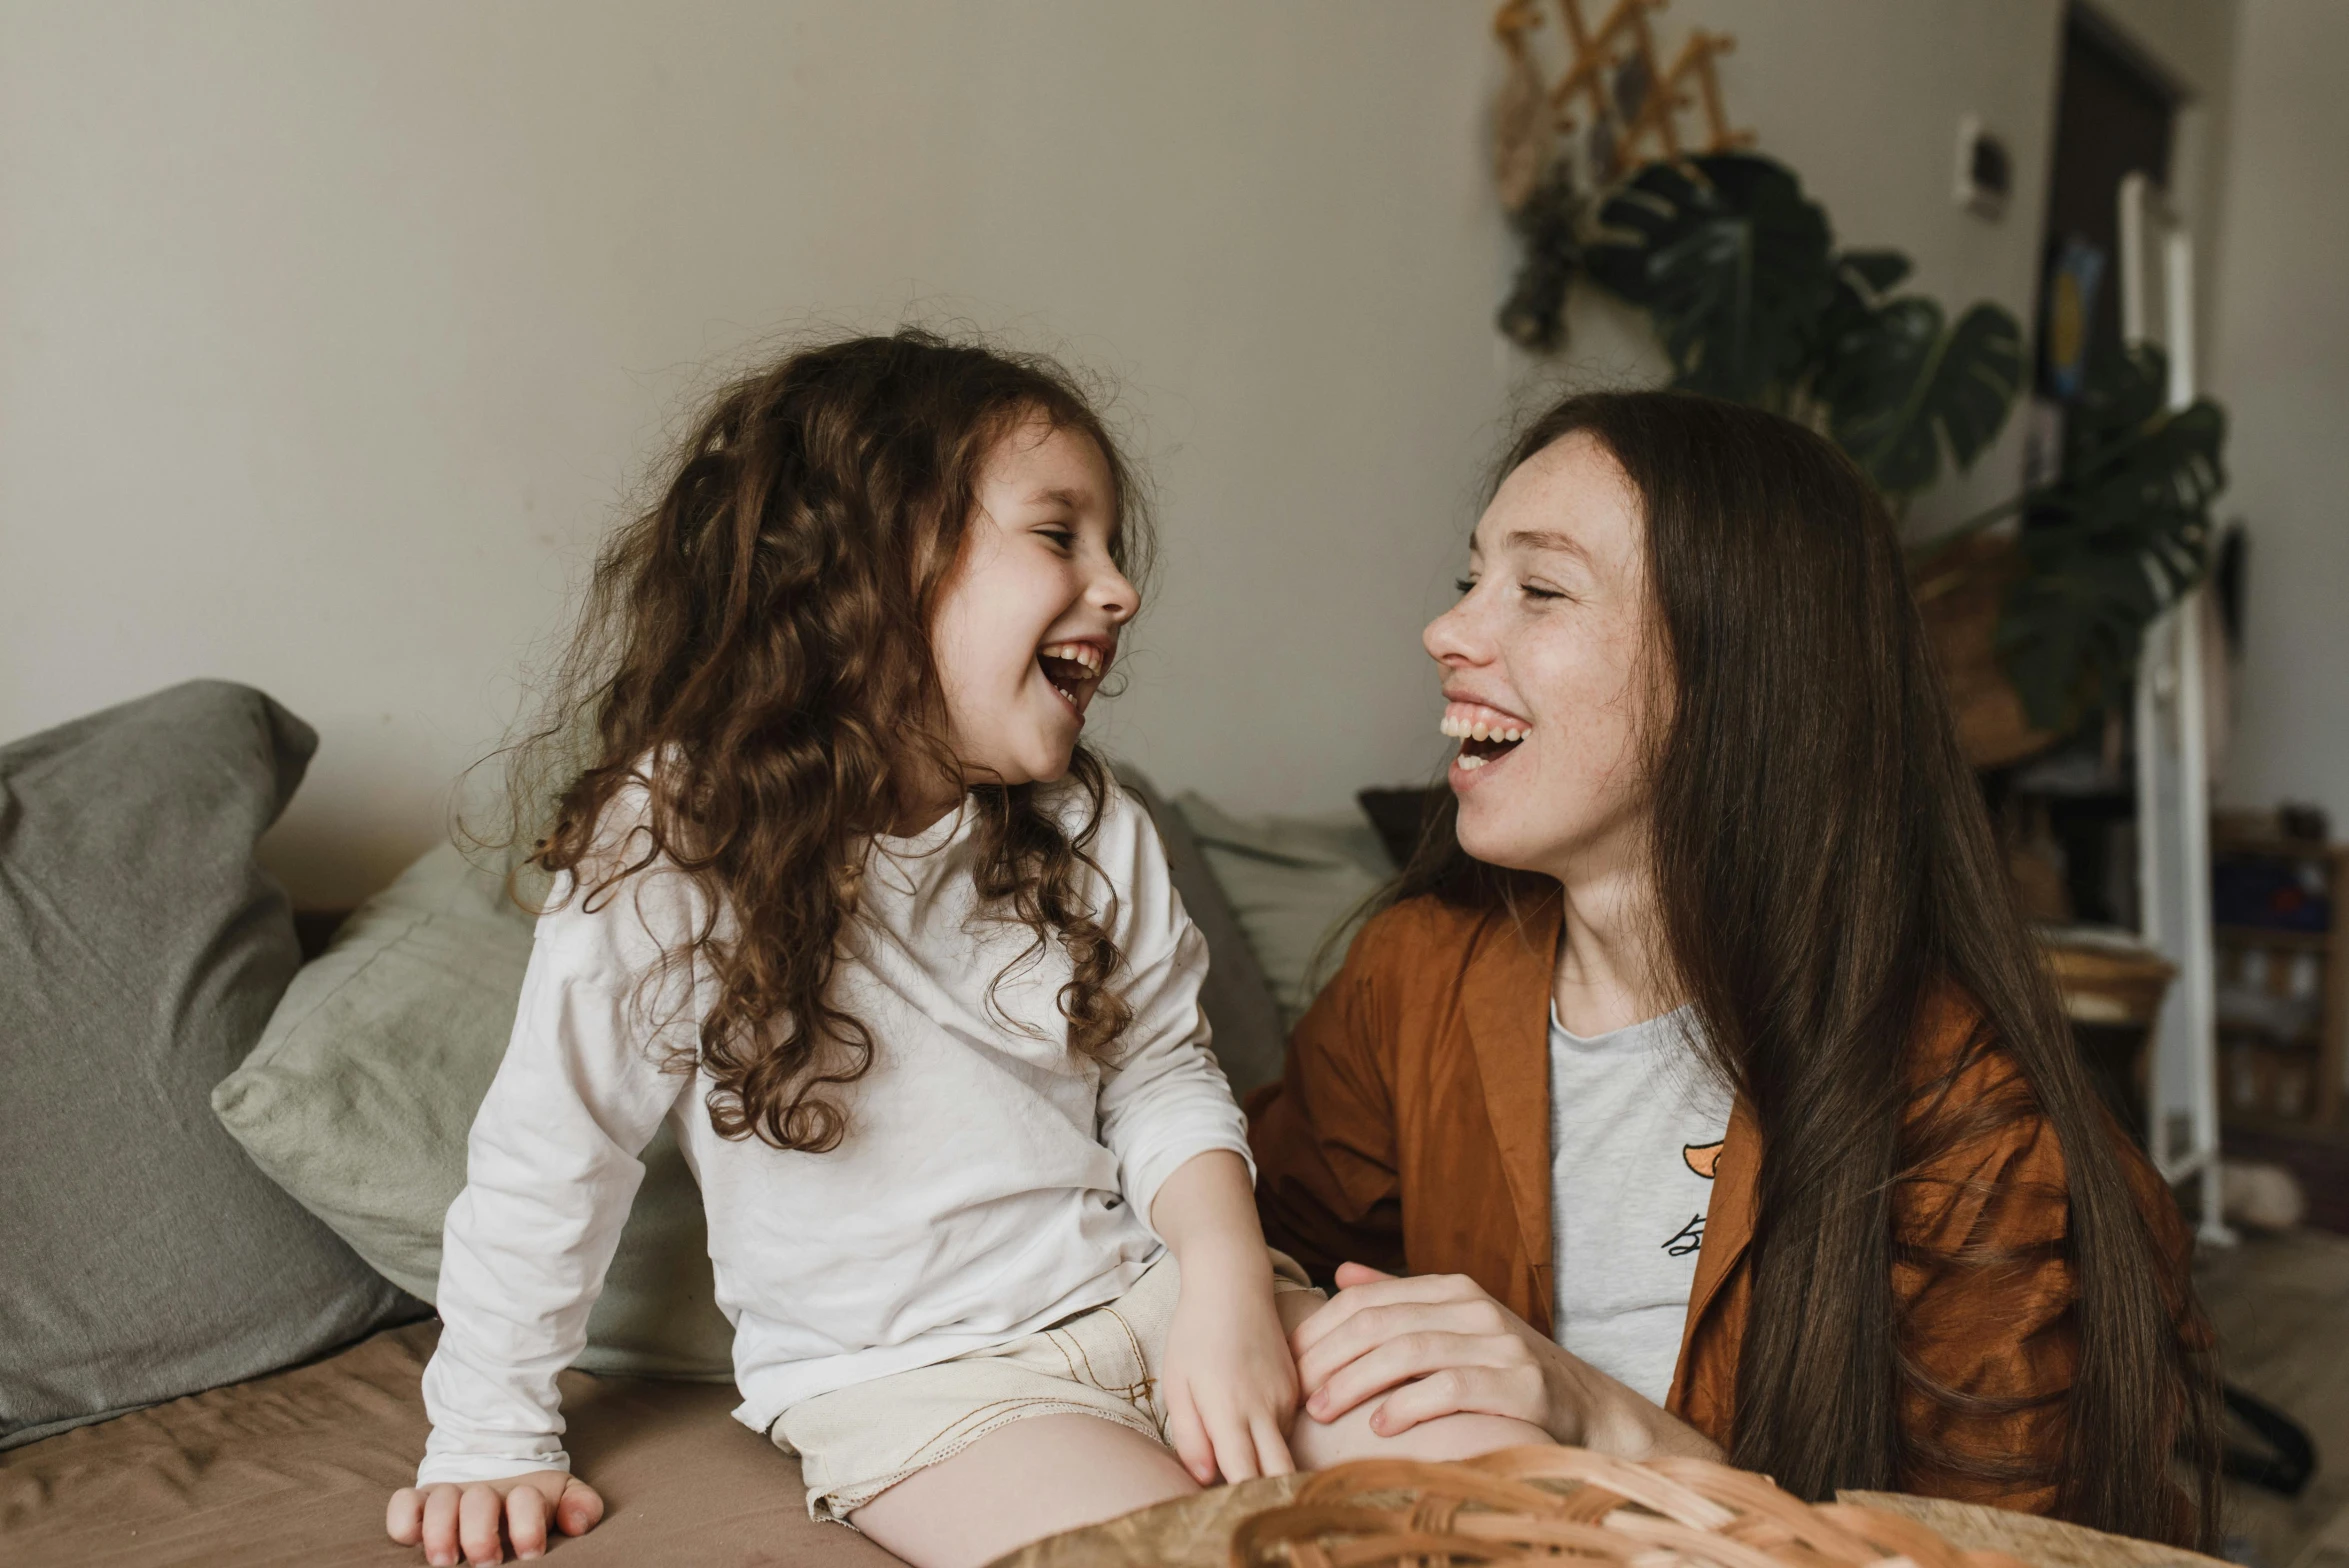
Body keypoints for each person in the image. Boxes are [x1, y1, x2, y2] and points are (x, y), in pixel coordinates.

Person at [386, 332, 1527, 1568]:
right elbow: (557, 1149)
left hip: (1150, 1294)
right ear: (876, 566)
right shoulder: (672, 845)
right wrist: (488, 1431)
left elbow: (1160, 1075)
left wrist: (1230, 1286)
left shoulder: (1093, 824)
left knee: (1509, 1497)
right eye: (1059, 535)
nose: (1121, 589)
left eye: (1114, 547)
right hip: (922, 1389)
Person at [1251, 390, 2220, 1547]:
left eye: (1541, 589)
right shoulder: (1415, 973)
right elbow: (1267, 1251)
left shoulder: (1973, 1115)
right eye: (1471, 579)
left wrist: (1599, 1417)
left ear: (1734, 671)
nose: (1449, 630)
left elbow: (1990, 1550)